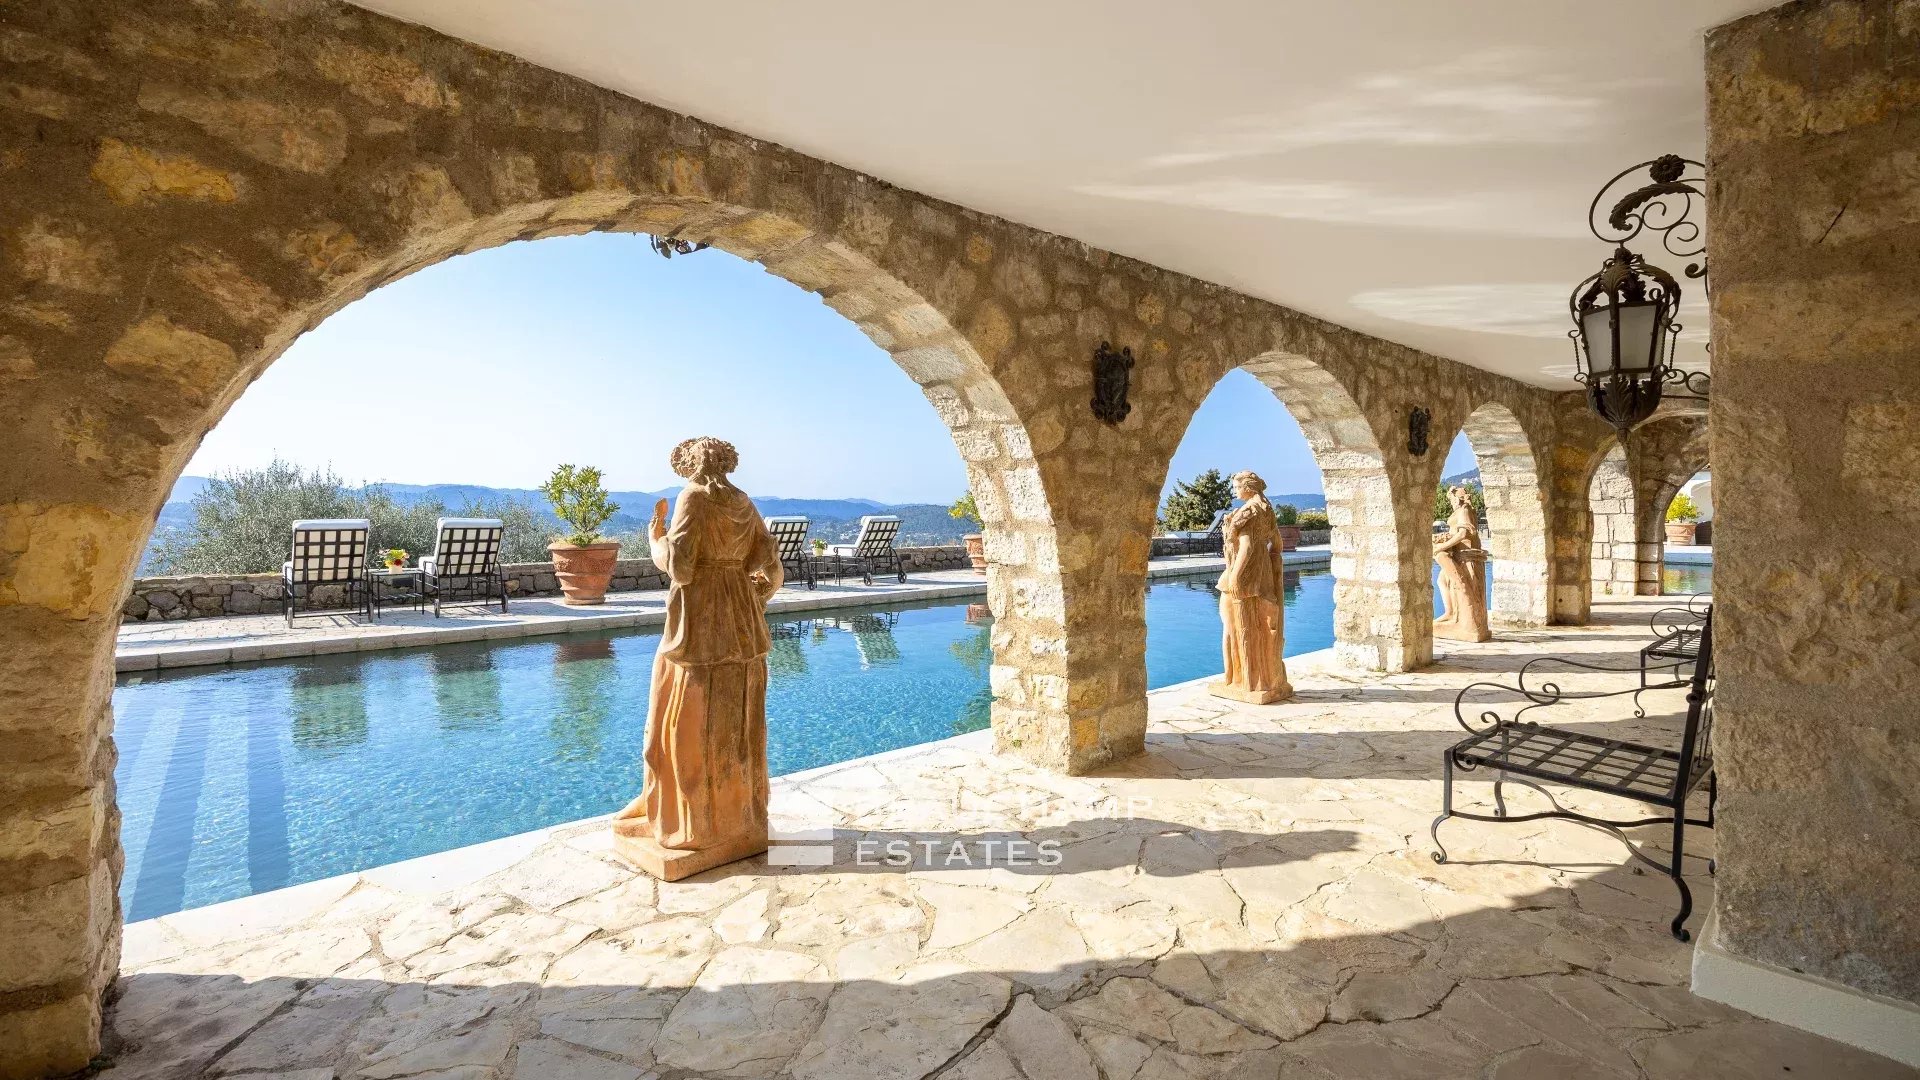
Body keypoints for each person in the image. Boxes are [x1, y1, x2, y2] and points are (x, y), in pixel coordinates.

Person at [612, 436, 783, 874]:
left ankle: (688, 822)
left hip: (699, 622)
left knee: (680, 716)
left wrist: (655, 540)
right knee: (738, 720)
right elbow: (772, 565)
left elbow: (682, 567)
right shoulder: (743, 501)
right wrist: (755, 598)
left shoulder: (692, 497)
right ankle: (738, 819)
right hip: (742, 623)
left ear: (689, 463)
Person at [1209, 470, 1292, 704]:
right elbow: (1277, 543)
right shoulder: (1266, 509)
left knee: (1234, 626)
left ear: (1248, 487)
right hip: (1262, 570)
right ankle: (1259, 678)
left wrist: (1235, 576)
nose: (1235, 491)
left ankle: (1240, 679)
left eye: (1237, 487)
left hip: (1244, 572)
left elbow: (1245, 546)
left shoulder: (1248, 511)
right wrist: (1271, 561)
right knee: (1256, 625)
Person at [1433, 484, 1491, 642]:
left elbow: (1462, 534)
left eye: (1451, 499)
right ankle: (1451, 613)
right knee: (1443, 581)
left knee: (1456, 583)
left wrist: (1442, 546)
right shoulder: (1463, 511)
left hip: (1465, 555)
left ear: (1456, 499)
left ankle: (1454, 616)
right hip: (1459, 554)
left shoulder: (1464, 510)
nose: (1451, 503)